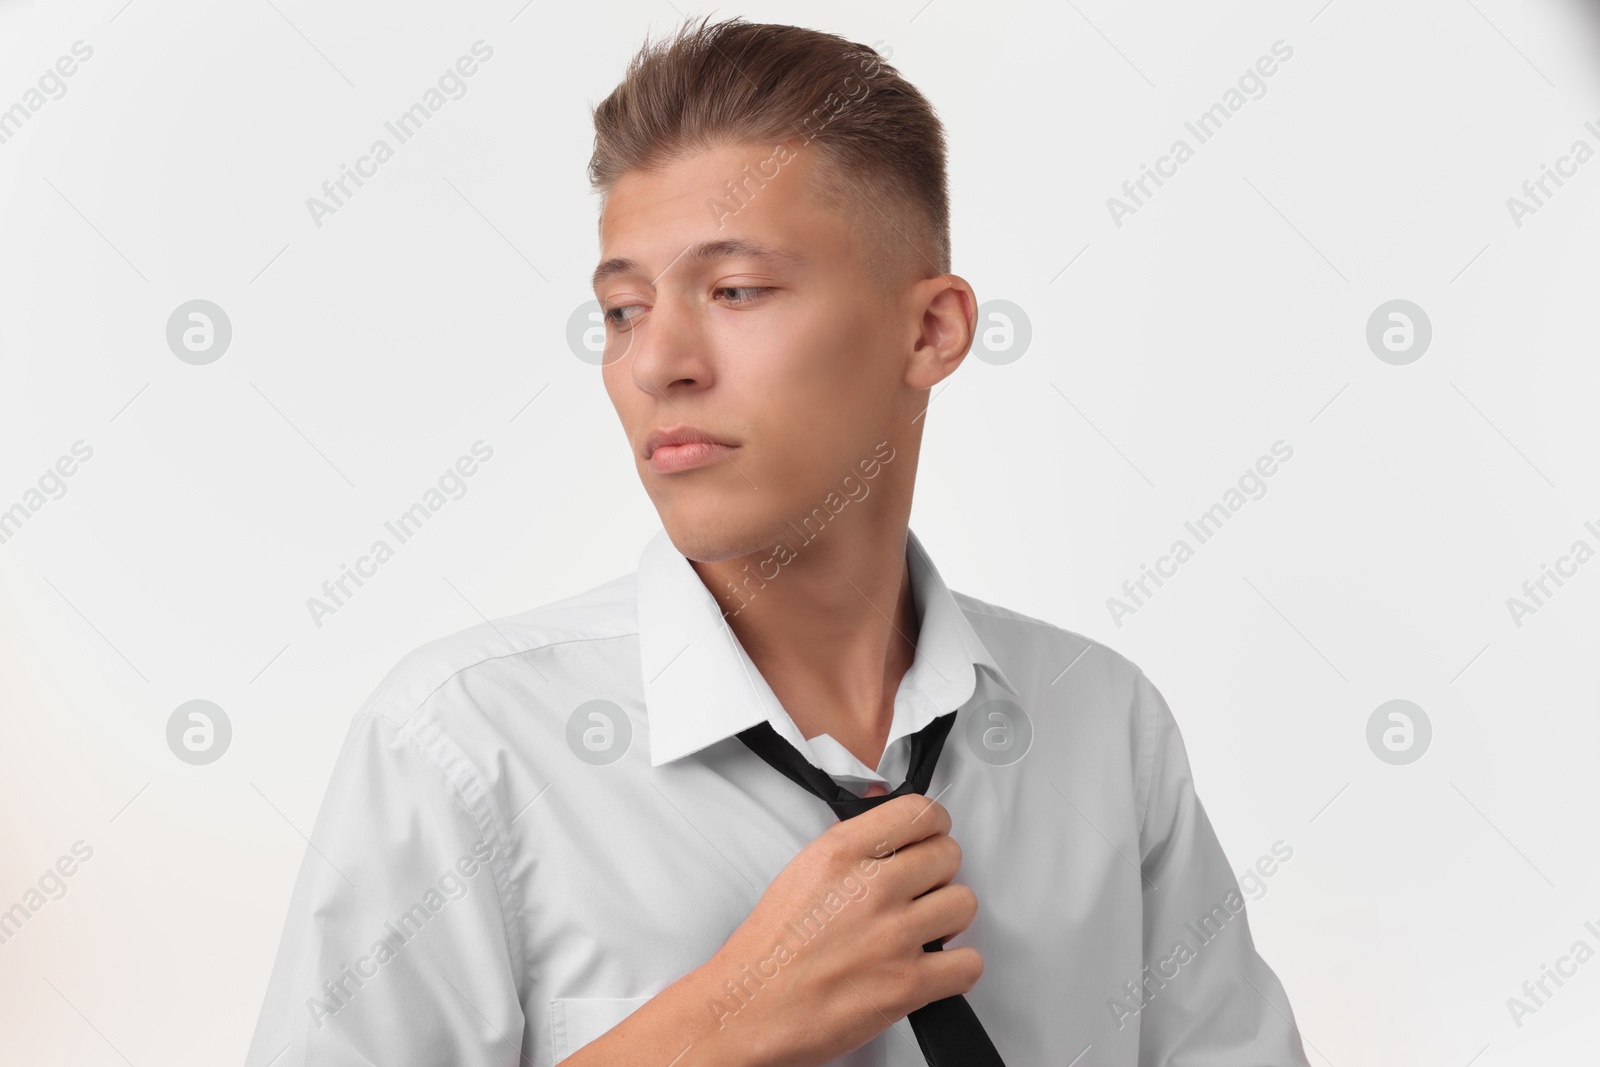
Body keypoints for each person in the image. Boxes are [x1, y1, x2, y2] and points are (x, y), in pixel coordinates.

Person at [245, 16, 1312, 1067]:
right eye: (621, 309)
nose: (658, 359)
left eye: (735, 290)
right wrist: (713, 1032)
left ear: (930, 330)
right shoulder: (463, 748)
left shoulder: (1101, 724)